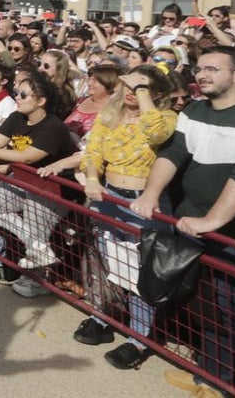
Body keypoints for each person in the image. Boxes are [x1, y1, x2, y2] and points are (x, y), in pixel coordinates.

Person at [131, 46, 235, 396]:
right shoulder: (194, 108)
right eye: (200, 68)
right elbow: (174, 153)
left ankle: (220, 384)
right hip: (192, 224)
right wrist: (150, 194)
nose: (201, 74)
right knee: (203, 304)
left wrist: (211, 220)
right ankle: (208, 372)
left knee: (228, 310)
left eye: (213, 69)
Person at [72, 65, 176, 370]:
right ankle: (103, 317)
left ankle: (138, 338)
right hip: (109, 197)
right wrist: (93, 178)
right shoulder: (110, 115)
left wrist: (143, 94)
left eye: (141, 87)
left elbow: (157, 132)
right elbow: (93, 151)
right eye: (129, 85)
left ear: (157, 93)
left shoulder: (166, 117)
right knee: (107, 263)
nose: (132, 91)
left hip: (144, 204)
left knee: (138, 271)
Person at [0, 73, 78, 275]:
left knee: (37, 227)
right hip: (26, 180)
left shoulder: (53, 127)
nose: (16, 97)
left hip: (55, 188)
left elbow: (27, 157)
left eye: (23, 94)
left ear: (41, 101)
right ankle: (38, 247)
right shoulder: (17, 116)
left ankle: (39, 278)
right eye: (16, 92)